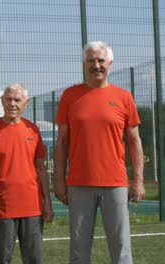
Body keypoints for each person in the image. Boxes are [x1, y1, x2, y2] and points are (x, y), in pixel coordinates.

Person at [54, 41, 145, 264]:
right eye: (91, 60)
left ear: (110, 64)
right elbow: (62, 141)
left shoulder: (124, 97)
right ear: (84, 64)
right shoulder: (70, 96)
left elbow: (135, 141)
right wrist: (58, 181)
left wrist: (138, 181)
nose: (96, 65)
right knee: (79, 250)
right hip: (78, 183)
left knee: (121, 248)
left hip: (115, 183)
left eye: (101, 60)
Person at [0, 83, 54, 263]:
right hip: (2, 208)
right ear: (2, 101)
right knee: (1, 260)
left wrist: (48, 203)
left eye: (17, 100)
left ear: (26, 103)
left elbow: (41, 169)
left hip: (33, 209)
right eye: (8, 99)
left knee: (33, 260)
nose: (12, 103)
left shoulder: (33, 130)